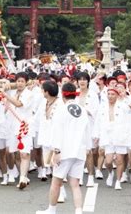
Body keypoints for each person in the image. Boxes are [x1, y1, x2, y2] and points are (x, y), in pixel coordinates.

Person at [36, 82, 88, 214]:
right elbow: (87, 131)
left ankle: (51, 210)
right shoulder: (83, 110)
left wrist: (56, 151)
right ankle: (78, 211)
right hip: (79, 151)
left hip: (65, 151)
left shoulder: (62, 110)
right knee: (75, 184)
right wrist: (86, 148)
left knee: (56, 182)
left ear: (63, 95)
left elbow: (57, 131)